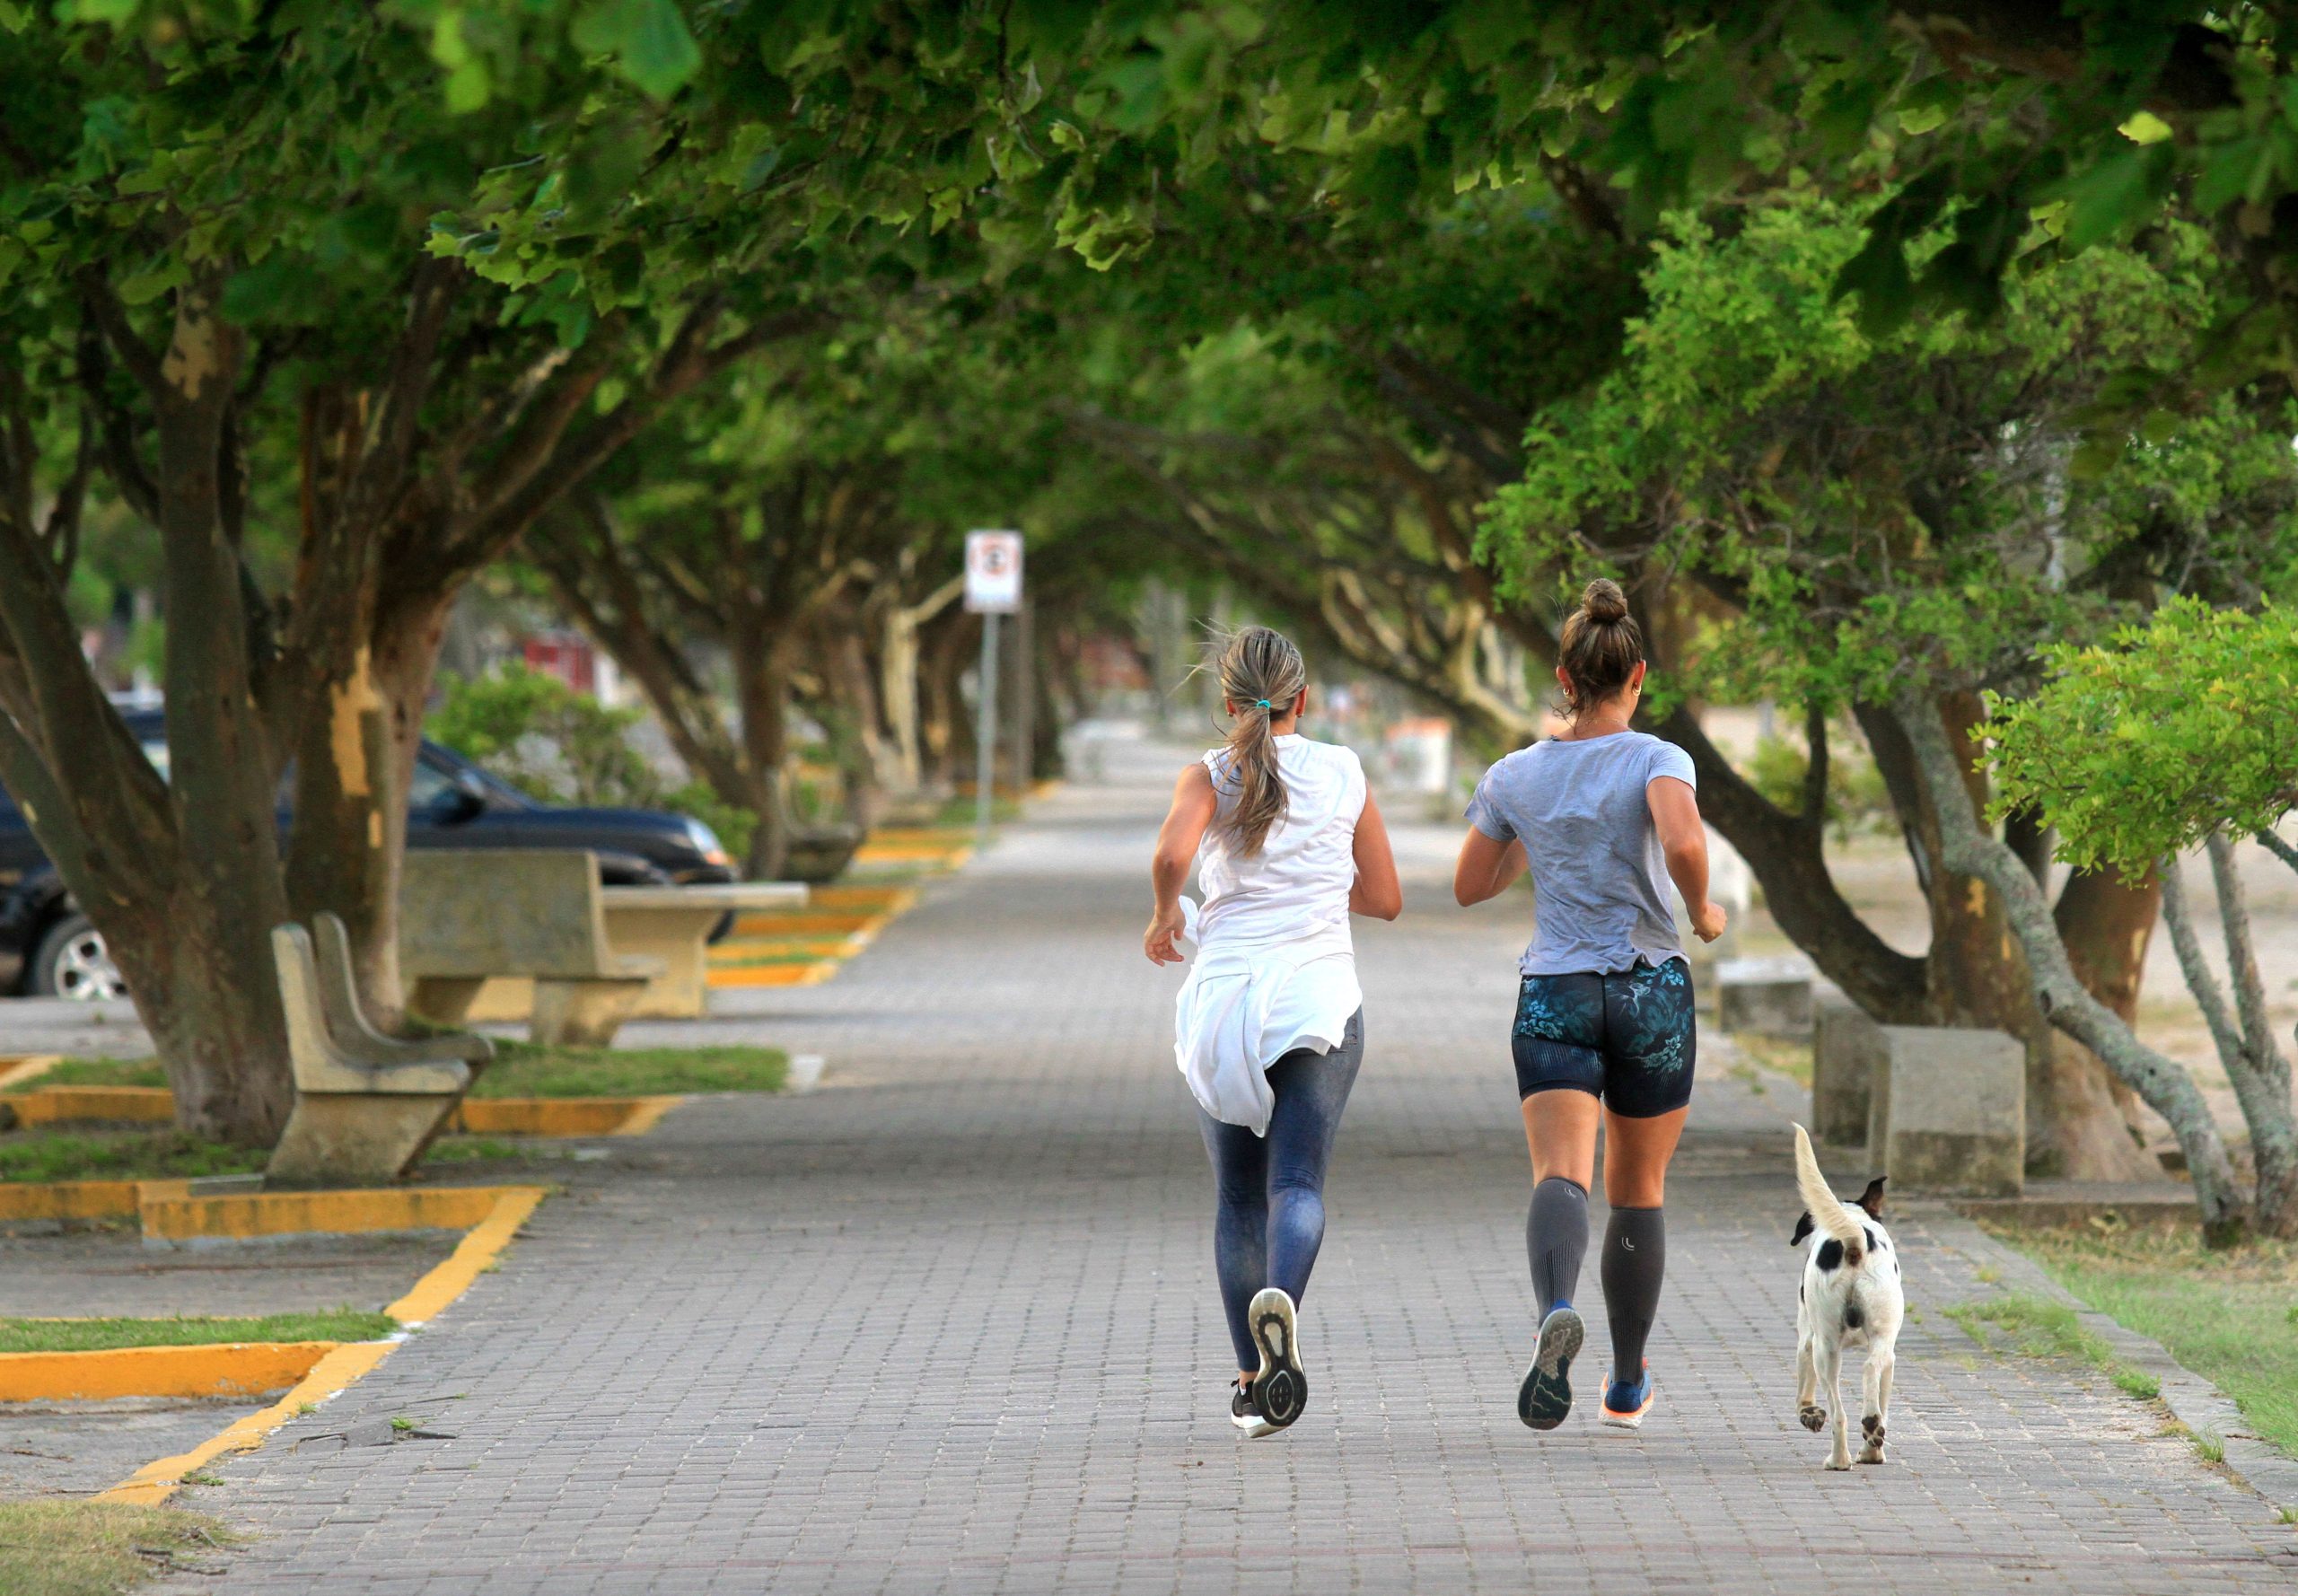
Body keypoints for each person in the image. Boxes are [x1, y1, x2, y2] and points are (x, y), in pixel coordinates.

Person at [1453, 578, 1726, 1434]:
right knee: (1637, 1186)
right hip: (1649, 990)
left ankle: (1551, 1314)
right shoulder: (1658, 758)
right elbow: (1681, 839)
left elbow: (1470, 884)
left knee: (1560, 1174)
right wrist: (1704, 911)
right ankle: (1626, 1382)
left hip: (1556, 994)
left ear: (1564, 679)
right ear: (1636, 676)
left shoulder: (1515, 774)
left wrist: (1538, 840)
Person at [1145, 626, 1402, 1436]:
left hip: (1225, 1004)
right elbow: (1387, 897)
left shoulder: (1211, 774)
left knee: (1236, 1202)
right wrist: (1322, 883)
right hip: (1318, 1001)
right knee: (1298, 1186)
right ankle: (1282, 1303)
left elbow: (1169, 856)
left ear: (1229, 703)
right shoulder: (1346, 771)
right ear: (1304, 697)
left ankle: (1256, 1384)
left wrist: (1163, 915)